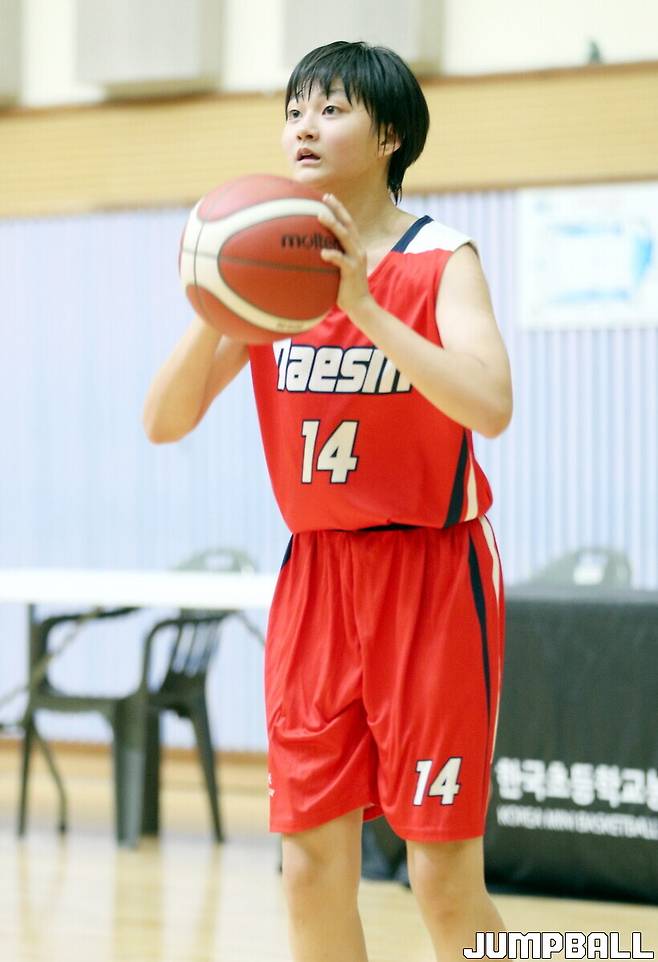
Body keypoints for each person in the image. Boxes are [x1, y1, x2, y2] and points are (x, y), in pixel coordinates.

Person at [144, 40, 513, 962]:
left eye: (333, 108)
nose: (304, 127)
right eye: (295, 110)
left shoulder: (441, 260)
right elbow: (163, 421)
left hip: (430, 577)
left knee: (441, 877)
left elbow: (490, 405)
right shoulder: (275, 279)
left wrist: (369, 307)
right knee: (307, 869)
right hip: (317, 580)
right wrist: (214, 294)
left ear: (390, 137)